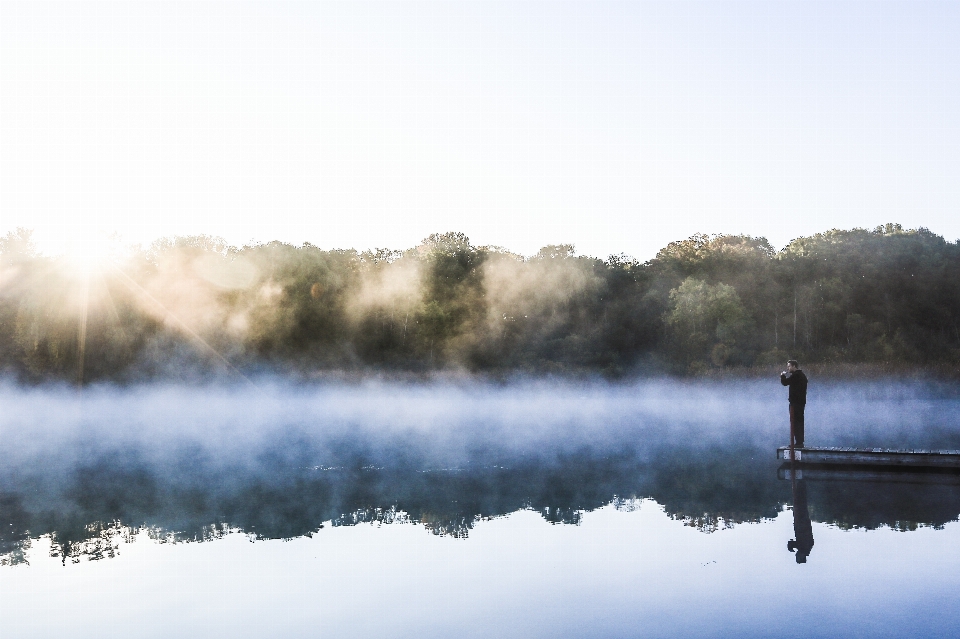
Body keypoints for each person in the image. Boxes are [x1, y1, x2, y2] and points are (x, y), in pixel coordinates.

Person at [780, 360, 808, 447]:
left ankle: (798, 443)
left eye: (789, 366)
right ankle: (800, 442)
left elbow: (785, 383)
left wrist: (782, 376)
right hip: (800, 403)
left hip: (795, 403)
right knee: (799, 422)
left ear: (794, 366)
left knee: (795, 423)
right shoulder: (802, 375)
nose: (788, 368)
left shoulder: (796, 375)